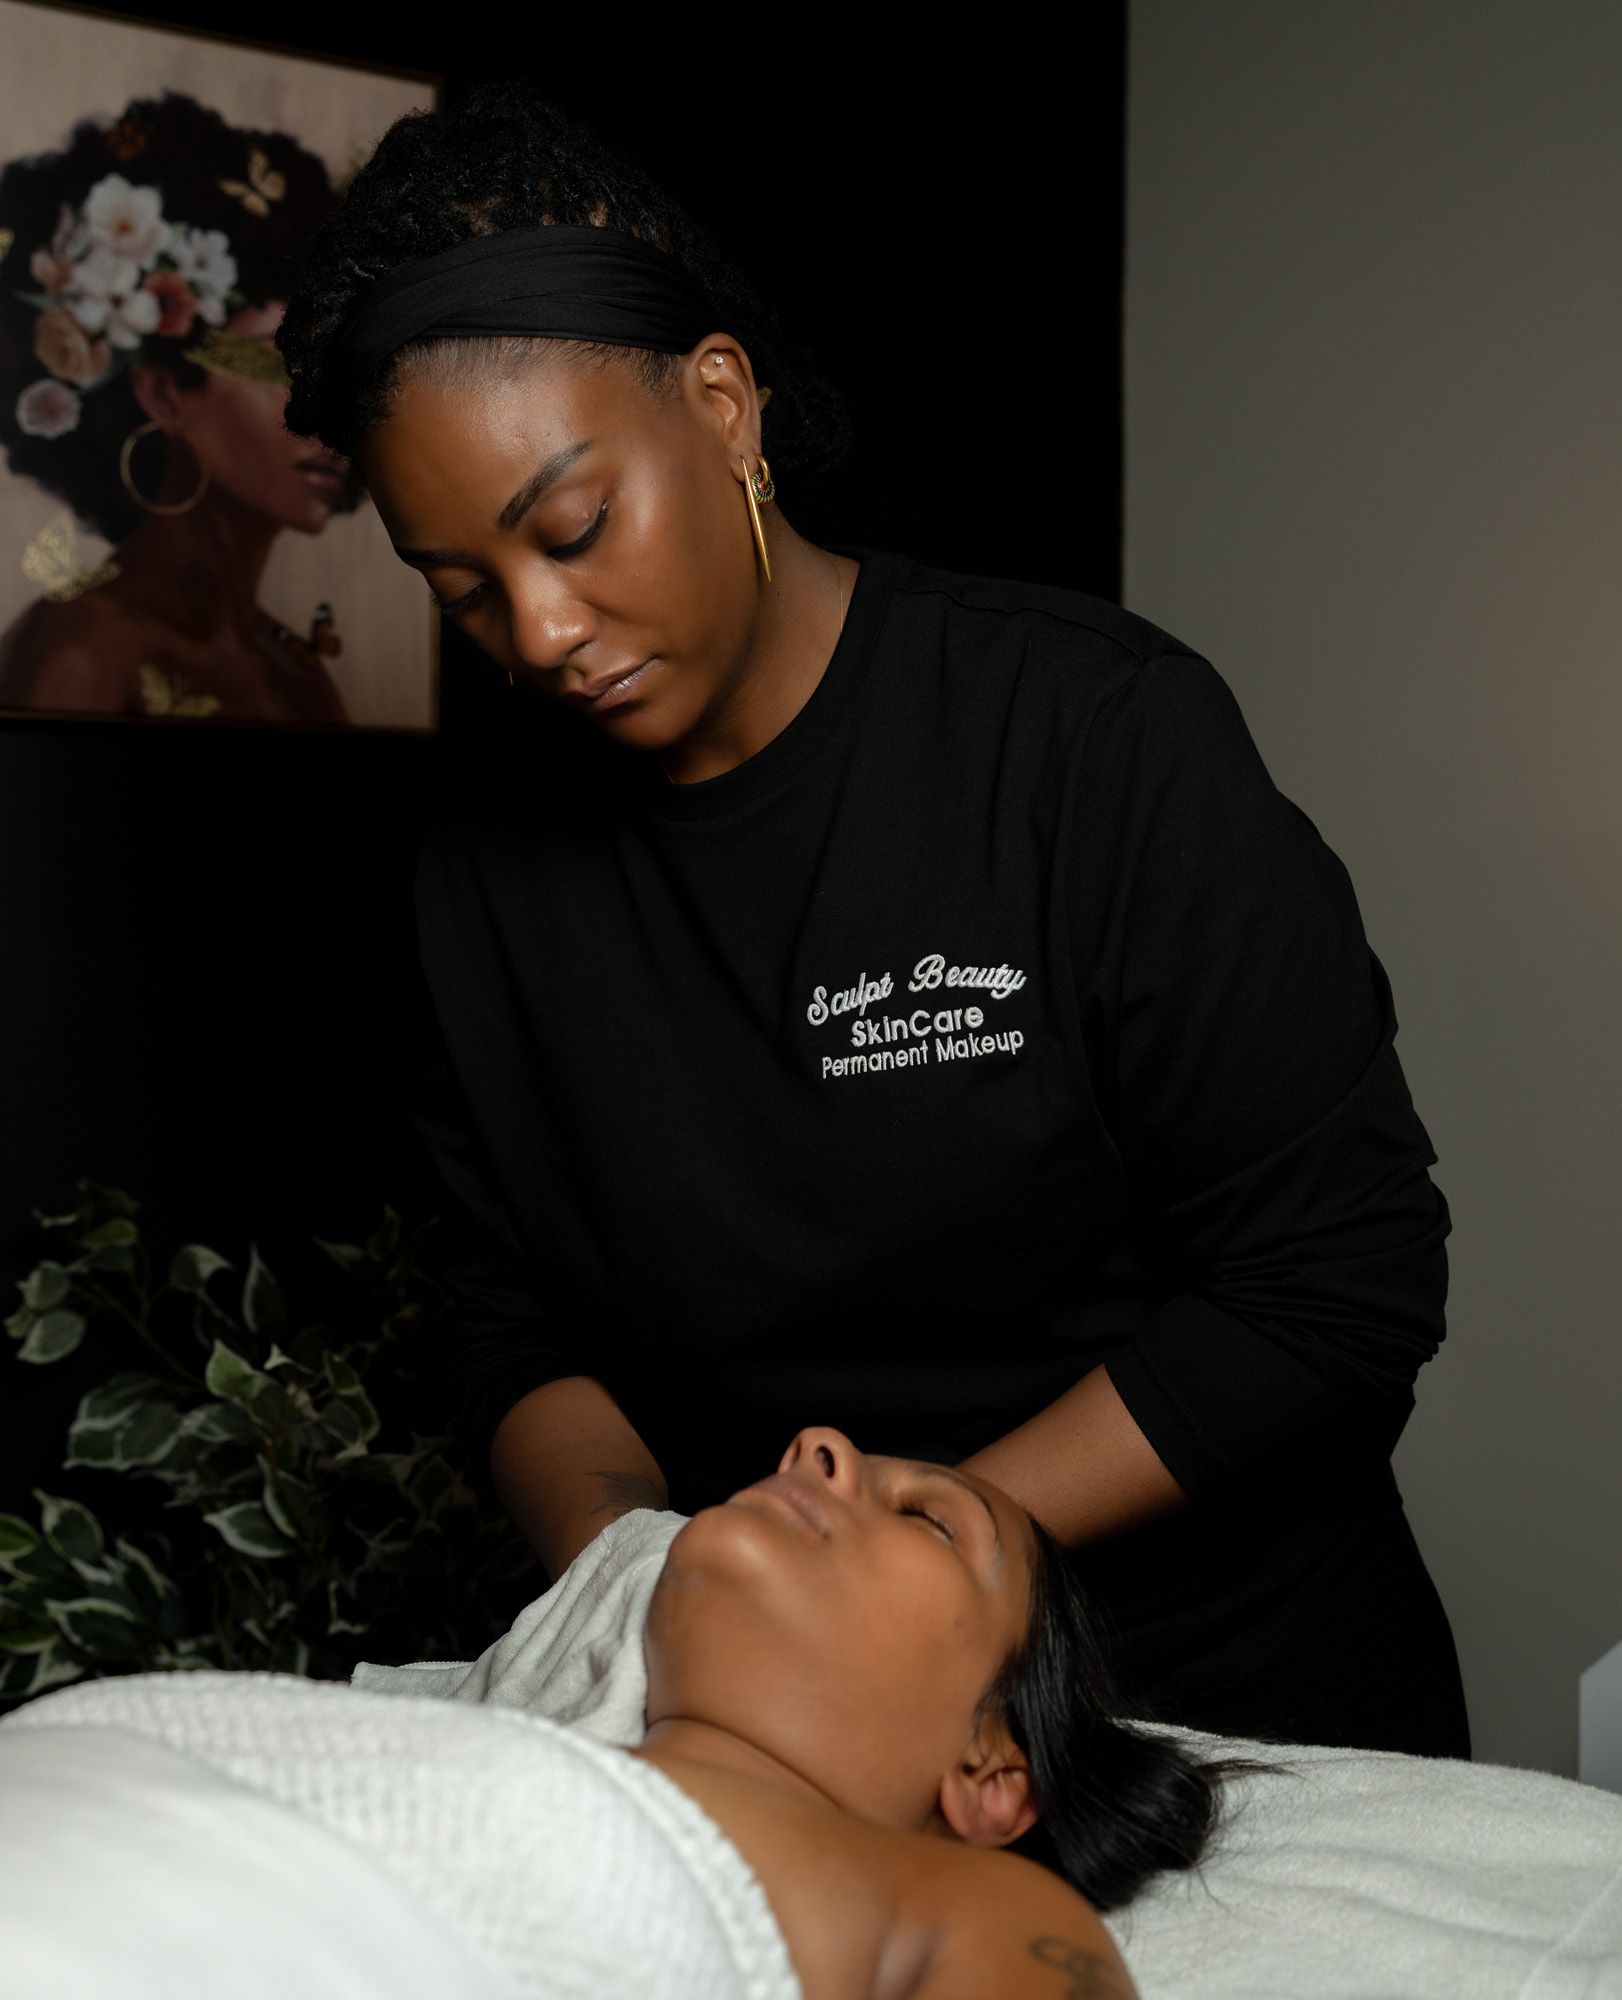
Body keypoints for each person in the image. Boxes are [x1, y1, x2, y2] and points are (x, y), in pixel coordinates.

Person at [275, 79, 1471, 1760]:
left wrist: (896, 1575)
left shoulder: (1089, 736)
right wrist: (643, 1579)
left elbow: (1328, 1286)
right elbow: (510, 1317)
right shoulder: (489, 870)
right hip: (811, 1731)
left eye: (571, 528)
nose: (535, 631)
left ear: (721, 403)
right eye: (458, 585)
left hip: (1221, 1708)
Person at [5, 1431, 1282, 2000]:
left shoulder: (977, 1913)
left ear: (990, 1766)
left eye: (927, 1520)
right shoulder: (470, 1758)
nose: (814, 1448)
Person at [0, 91, 361, 722]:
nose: (326, 415)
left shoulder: (295, 675)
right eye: (279, 368)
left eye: (343, 378)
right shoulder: (84, 653)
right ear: (163, 391)